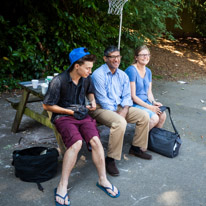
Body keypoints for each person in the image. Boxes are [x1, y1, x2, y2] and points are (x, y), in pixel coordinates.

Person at [43, 47, 120, 206]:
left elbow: (90, 91)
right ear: (76, 66)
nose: (90, 71)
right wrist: (68, 111)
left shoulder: (86, 78)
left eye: (91, 68)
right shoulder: (59, 81)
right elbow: (47, 105)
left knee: (96, 142)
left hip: (82, 115)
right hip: (64, 116)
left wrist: (91, 101)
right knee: (76, 144)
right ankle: (62, 185)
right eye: (88, 68)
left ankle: (103, 180)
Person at [90, 45, 152, 177]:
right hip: (100, 108)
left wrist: (124, 110)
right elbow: (102, 99)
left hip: (120, 106)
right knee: (120, 123)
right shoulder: (98, 75)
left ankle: (136, 148)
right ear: (105, 58)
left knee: (144, 115)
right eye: (112, 57)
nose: (116, 60)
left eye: (118, 56)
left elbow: (127, 96)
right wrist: (119, 115)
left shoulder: (122, 75)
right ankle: (110, 159)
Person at [125, 45, 166, 130]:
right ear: (136, 57)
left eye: (147, 55)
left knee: (162, 115)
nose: (145, 57)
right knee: (154, 118)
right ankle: (139, 139)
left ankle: (152, 139)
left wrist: (154, 102)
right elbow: (133, 96)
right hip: (133, 104)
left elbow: (149, 92)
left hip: (145, 102)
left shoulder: (148, 71)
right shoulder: (131, 70)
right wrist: (150, 107)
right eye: (142, 55)